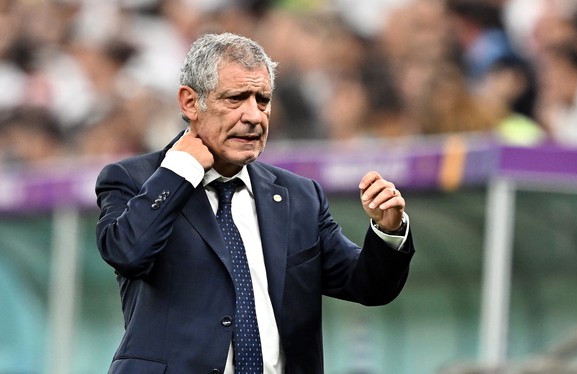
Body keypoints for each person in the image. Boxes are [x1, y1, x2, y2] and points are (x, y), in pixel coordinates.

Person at [95, 32, 415, 374]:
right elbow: (127, 252)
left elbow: (367, 286)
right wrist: (179, 171)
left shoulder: (299, 196)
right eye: (236, 99)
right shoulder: (134, 179)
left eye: (262, 100)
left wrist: (388, 229)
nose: (254, 116)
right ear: (190, 103)